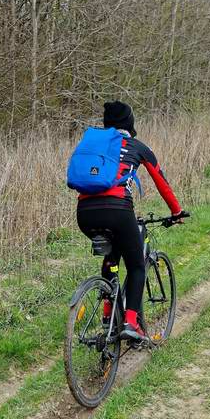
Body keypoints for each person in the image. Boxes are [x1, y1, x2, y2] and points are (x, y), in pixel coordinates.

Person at [76, 101, 187, 342]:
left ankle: (108, 313)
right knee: (136, 265)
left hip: (84, 213)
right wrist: (176, 212)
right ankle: (131, 323)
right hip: (117, 210)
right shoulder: (137, 146)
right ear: (130, 123)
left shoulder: (95, 146)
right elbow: (161, 182)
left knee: (112, 256)